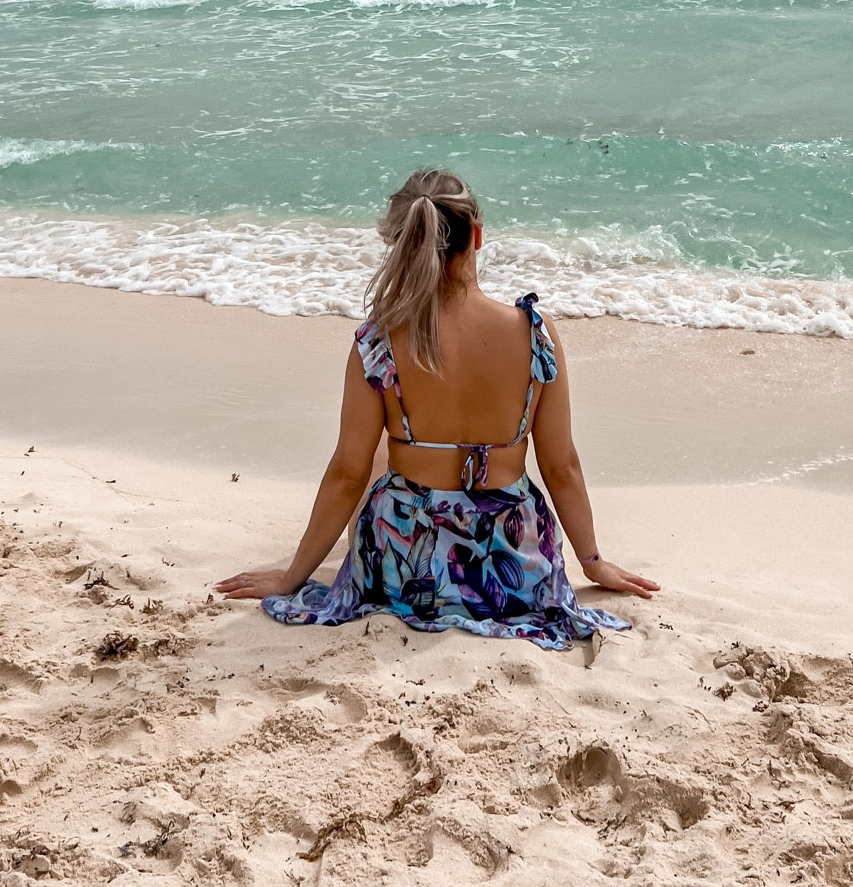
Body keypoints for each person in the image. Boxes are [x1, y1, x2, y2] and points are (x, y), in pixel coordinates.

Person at [214, 169, 657, 648]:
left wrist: (292, 576)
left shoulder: (380, 338)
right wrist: (592, 561)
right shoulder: (534, 334)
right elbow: (560, 465)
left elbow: (347, 475)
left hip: (406, 573)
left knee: (383, 452)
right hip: (513, 571)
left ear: (402, 244)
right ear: (478, 236)